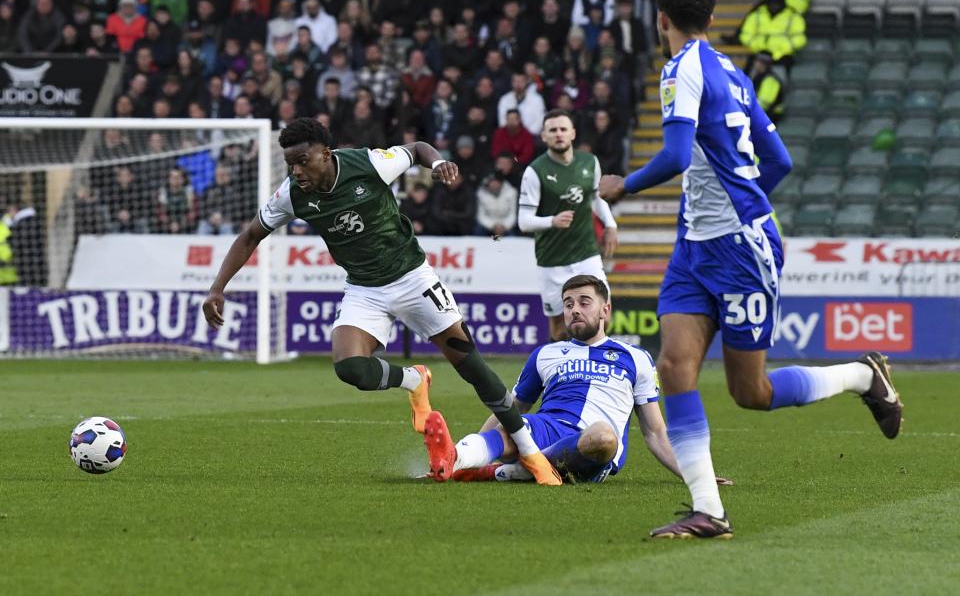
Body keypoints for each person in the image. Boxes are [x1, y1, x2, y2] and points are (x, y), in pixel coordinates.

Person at [599, 0, 903, 539]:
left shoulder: (681, 68)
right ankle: (708, 510)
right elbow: (779, 160)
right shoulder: (734, 75)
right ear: (711, 21)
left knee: (751, 393)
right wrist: (740, 195)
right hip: (695, 245)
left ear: (660, 19)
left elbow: (672, 155)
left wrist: (625, 186)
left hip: (740, 248)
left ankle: (863, 376)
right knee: (673, 366)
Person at [202, 117, 561, 485]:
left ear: (326, 154)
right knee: (350, 368)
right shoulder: (292, 194)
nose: (296, 171)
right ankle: (413, 380)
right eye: (289, 164)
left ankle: (530, 453)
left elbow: (419, 149)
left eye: (302, 160)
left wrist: (437, 163)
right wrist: (218, 287)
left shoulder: (368, 163)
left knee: (471, 366)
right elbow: (249, 236)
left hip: (412, 277)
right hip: (364, 288)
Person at [422, 275, 733, 486]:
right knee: (514, 427)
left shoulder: (636, 357)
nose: (574, 310)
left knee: (603, 437)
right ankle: (455, 460)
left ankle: (516, 469)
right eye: (568, 304)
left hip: (593, 447)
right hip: (544, 429)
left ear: (605, 310)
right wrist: (469, 455)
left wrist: (694, 475)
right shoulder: (546, 354)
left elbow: (655, 432)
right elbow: (509, 408)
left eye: (584, 302)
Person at [519, 109, 617, 341]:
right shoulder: (535, 171)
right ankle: (563, 372)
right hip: (552, 260)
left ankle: (591, 366)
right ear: (544, 136)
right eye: (553, 130)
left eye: (563, 129)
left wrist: (610, 225)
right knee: (560, 328)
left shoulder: (589, 162)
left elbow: (596, 198)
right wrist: (552, 221)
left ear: (572, 133)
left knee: (603, 314)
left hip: (586, 253)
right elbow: (524, 221)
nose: (559, 134)